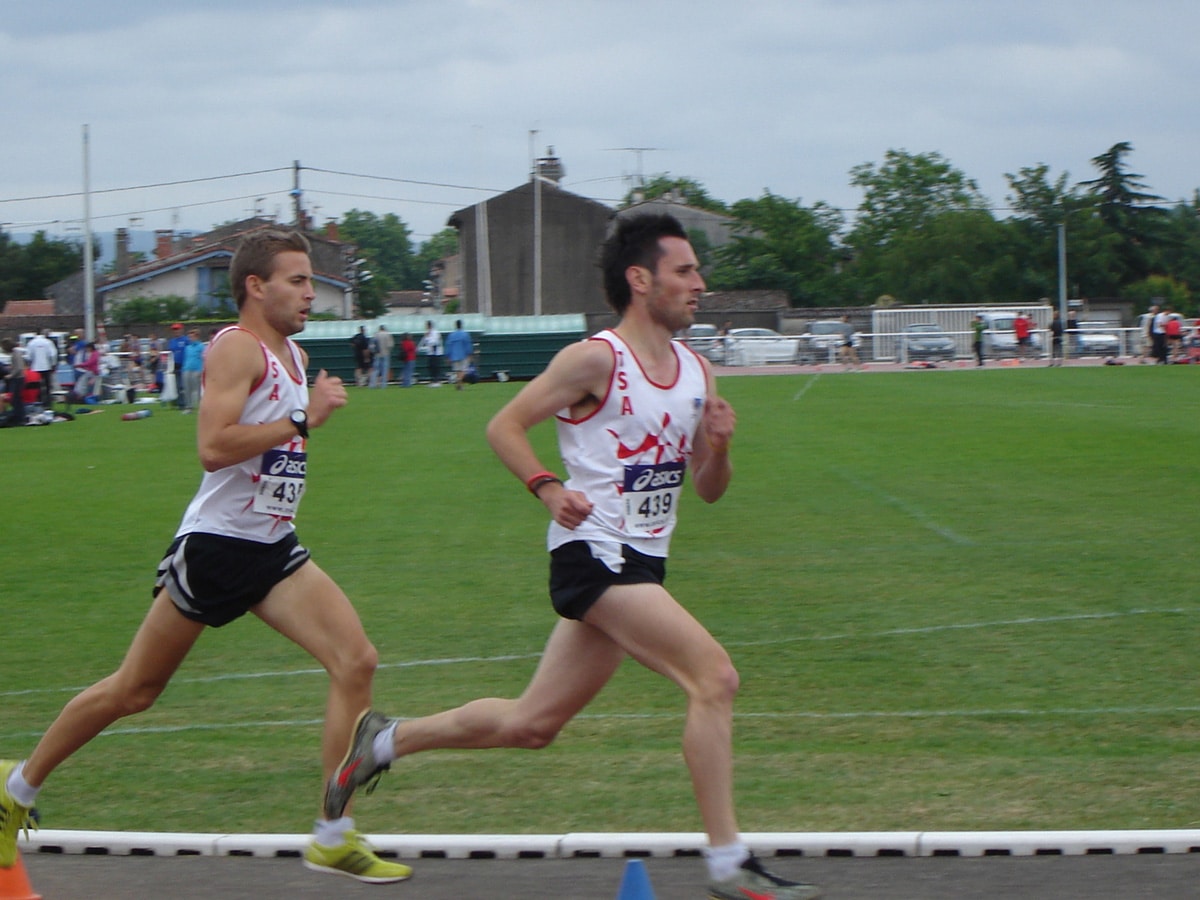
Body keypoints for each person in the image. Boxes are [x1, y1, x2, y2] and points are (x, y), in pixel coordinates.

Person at [322, 214, 821, 900]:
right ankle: (730, 865)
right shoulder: (596, 360)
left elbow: (707, 490)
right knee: (714, 678)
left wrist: (723, 447)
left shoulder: (697, 371)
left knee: (533, 725)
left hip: (642, 563)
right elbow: (504, 425)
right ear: (640, 280)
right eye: (685, 271)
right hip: (593, 556)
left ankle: (385, 740)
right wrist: (548, 487)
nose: (700, 284)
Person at [0, 228, 410, 885]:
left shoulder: (294, 359)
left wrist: (297, 431)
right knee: (134, 691)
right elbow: (214, 447)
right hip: (217, 547)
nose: (311, 293)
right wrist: (304, 422)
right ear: (256, 286)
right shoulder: (235, 349)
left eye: (311, 281)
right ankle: (15, 788)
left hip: (272, 545)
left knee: (355, 658)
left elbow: (275, 450)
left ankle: (333, 832)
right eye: (298, 280)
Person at [24, 329, 57, 409]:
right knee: (48, 386)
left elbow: (28, 356)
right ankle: (48, 404)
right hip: (46, 367)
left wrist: (30, 364)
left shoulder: (31, 343)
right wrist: (53, 364)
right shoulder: (48, 342)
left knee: (36, 386)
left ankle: (38, 403)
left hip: (35, 368)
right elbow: (53, 354)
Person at [1, 338, 25, 426]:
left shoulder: (16, 354)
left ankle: (19, 418)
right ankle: (18, 417)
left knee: (15, 399)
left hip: (18, 379)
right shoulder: (15, 353)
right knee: (16, 399)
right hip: (17, 378)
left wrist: (10, 375)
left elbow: (19, 368)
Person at [181, 327, 205, 413]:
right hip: (187, 369)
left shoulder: (201, 346)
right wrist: (184, 368)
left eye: (192, 337)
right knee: (187, 389)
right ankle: (188, 406)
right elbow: (186, 358)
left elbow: (203, 358)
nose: (190, 338)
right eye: (189, 337)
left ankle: (200, 406)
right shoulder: (188, 348)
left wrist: (202, 369)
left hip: (197, 369)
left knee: (198, 389)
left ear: (197, 337)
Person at [444, 319, 473, 390]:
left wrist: (447, 356)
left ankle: (460, 385)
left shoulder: (451, 335)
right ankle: (459, 380)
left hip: (454, 355)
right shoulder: (465, 334)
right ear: (461, 325)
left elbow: (448, 345)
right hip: (463, 355)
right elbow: (468, 345)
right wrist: (470, 354)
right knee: (463, 370)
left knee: (458, 370)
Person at [168, 324, 190, 409]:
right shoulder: (172, 341)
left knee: (183, 385)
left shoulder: (185, 340)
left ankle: (186, 402)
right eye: (174, 330)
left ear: (181, 330)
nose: (176, 331)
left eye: (177, 329)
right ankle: (180, 403)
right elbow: (172, 354)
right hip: (176, 365)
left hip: (184, 364)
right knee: (178, 385)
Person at [419, 320, 443, 385]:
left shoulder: (435, 332)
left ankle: (436, 381)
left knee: (435, 366)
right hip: (430, 353)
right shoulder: (427, 333)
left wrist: (428, 339)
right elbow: (423, 342)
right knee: (430, 366)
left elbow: (436, 342)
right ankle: (433, 380)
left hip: (436, 353)